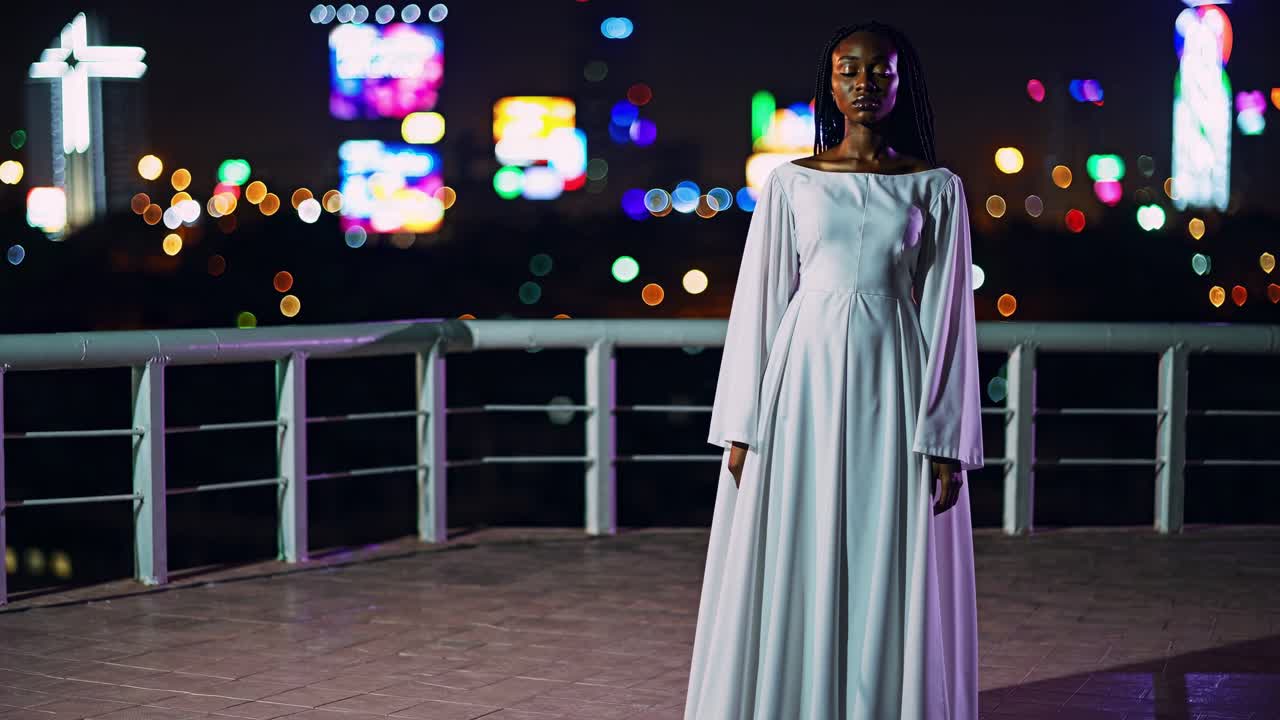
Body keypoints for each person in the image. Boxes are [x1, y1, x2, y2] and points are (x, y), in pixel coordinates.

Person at [683, 21, 984, 720]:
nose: (863, 83)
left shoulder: (936, 187)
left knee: (888, 549)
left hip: (898, 381)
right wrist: (740, 425)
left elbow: (947, 318)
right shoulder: (790, 183)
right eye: (848, 70)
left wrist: (947, 439)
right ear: (830, 82)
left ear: (902, 81)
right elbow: (759, 303)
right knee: (800, 541)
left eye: (879, 70)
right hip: (802, 383)